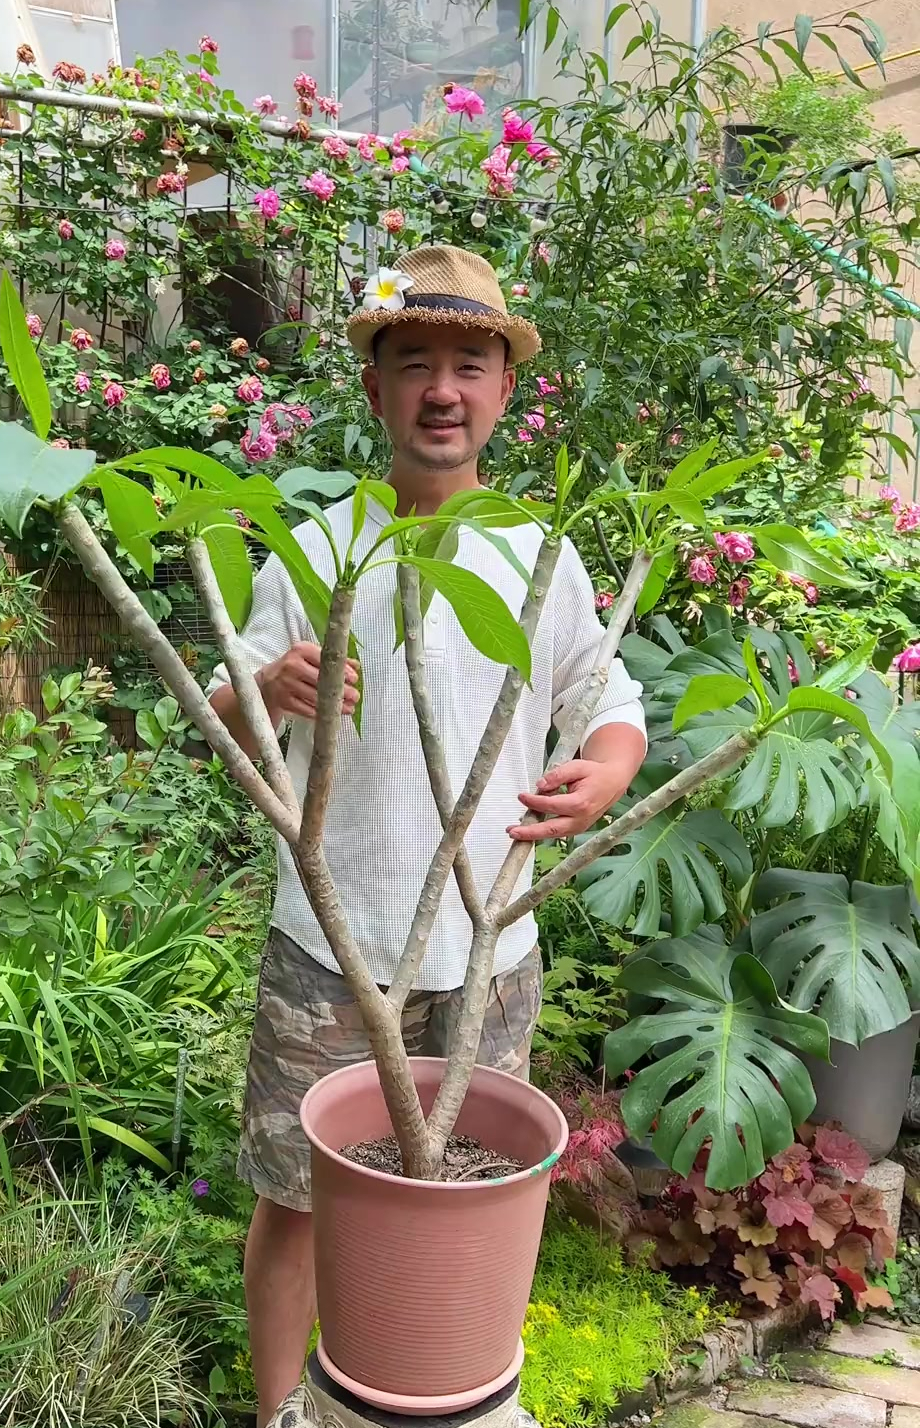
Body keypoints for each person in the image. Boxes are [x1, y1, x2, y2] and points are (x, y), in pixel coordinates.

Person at [208, 244, 646, 1425]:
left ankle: (440, 1397)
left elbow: (605, 698)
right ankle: (283, 1413)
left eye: (468, 364)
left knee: (476, 1208)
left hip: (487, 950)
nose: (442, 390)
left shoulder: (538, 555)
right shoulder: (320, 548)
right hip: (332, 945)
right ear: (375, 388)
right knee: (296, 1200)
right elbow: (229, 719)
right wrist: (269, 689)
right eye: (414, 364)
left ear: (504, 389)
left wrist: (604, 775)